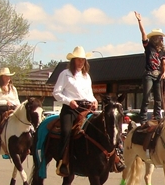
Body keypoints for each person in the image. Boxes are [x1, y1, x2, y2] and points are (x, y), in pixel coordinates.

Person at [53, 46, 125, 176]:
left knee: (103, 128)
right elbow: (56, 93)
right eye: (78, 60)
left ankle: (115, 158)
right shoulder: (65, 74)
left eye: (83, 60)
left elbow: (90, 93)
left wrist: (94, 101)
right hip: (71, 109)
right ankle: (62, 162)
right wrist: (69, 101)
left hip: (86, 107)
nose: (81, 62)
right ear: (73, 60)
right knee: (66, 131)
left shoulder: (86, 76)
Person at [134, 11, 165, 125]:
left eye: (161, 37)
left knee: (158, 98)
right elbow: (143, 34)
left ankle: (157, 116)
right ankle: (143, 118)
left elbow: (164, 63)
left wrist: (164, 73)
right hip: (148, 74)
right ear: (155, 38)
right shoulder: (148, 47)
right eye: (159, 37)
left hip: (157, 74)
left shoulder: (162, 51)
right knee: (147, 97)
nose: (161, 39)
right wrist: (140, 21)